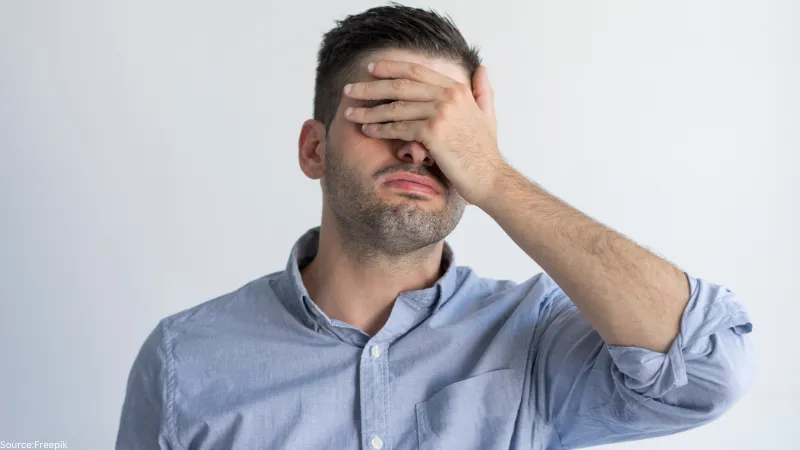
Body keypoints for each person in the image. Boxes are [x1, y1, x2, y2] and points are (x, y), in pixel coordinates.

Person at [115, 4, 755, 449]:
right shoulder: (184, 360)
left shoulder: (533, 339)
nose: (419, 149)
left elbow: (709, 372)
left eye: (445, 130)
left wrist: (494, 176)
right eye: (385, 114)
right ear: (315, 149)